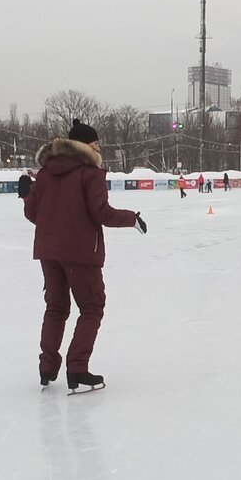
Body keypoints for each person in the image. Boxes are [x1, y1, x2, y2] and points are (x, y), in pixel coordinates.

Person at [23, 118, 146, 394]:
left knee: (56, 308)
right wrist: (133, 219)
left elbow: (31, 213)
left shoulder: (44, 173)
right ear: (85, 146)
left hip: (48, 252)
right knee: (91, 307)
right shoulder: (90, 173)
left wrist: (52, 222)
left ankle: (47, 367)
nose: (98, 148)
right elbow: (102, 213)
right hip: (79, 253)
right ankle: (77, 368)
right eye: (96, 144)